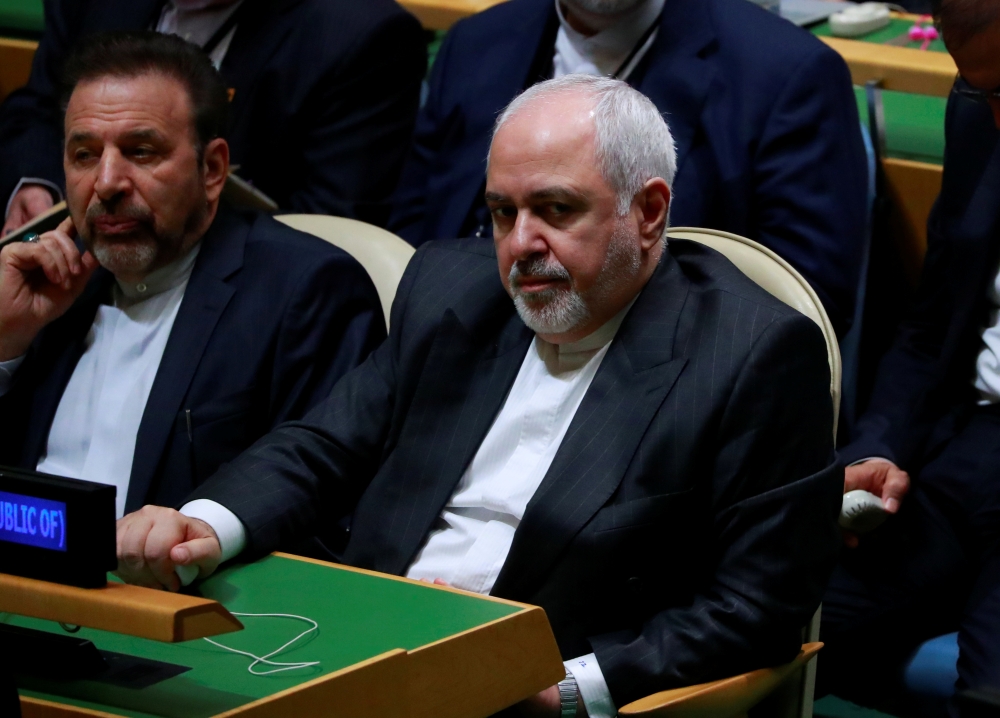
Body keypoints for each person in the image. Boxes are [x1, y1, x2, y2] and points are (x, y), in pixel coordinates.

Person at [114, 75, 842, 717]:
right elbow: (326, 444)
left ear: (648, 212)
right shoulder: (450, 288)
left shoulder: (753, 352)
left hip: (541, 672)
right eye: (501, 212)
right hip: (365, 648)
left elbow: (756, 607)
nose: (519, 245)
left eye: (556, 210)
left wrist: (565, 689)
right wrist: (206, 523)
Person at [0, 32, 385, 520]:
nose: (106, 182)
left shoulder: (307, 293)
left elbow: (324, 504)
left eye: (141, 151)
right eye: (84, 155)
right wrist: (5, 347)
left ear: (213, 169)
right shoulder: (41, 287)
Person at [388, 0, 868, 338]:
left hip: (655, 393)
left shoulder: (786, 74)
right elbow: (413, 237)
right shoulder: (475, 43)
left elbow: (802, 304)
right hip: (461, 357)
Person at [819, 0, 1000, 713]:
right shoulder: (980, 110)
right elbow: (933, 326)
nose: (994, 118)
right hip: (969, 449)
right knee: (767, 625)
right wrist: (878, 446)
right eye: (980, 90)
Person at [0, 0, 425, 235]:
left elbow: (333, 229)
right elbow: (39, 105)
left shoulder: (362, 35)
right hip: (71, 247)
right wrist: (37, 182)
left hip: (227, 292)